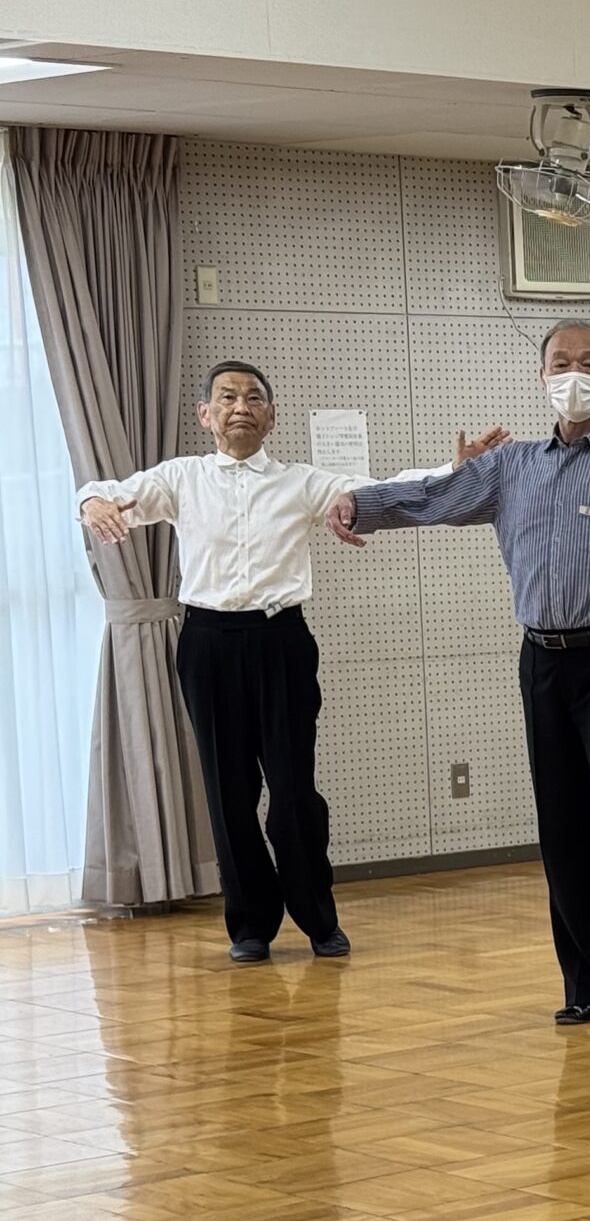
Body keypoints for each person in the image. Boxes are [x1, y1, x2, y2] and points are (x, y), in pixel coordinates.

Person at [325, 321, 590, 1027]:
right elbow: (431, 497)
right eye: (561, 362)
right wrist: (356, 503)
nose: (574, 373)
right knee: (563, 828)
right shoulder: (510, 466)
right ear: (542, 377)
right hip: (542, 658)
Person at [74, 361, 493, 964]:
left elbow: (377, 489)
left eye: (254, 398)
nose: (240, 407)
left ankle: (319, 919)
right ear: (206, 414)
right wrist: (92, 504)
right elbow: (103, 492)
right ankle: (250, 926)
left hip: (281, 642)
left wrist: (454, 471)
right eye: (227, 398)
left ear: (271, 417)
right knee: (229, 792)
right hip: (208, 643)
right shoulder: (181, 478)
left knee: (294, 789)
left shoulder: (299, 482)